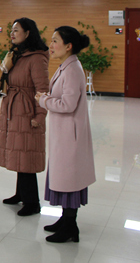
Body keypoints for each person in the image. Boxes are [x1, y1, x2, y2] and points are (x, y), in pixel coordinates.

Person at [36, 26, 95, 243]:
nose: (51, 45)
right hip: (64, 133)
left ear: (68, 46)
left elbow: (68, 105)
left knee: (70, 179)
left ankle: (71, 226)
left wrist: (43, 100)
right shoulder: (67, 65)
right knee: (65, 177)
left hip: (70, 135)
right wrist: (48, 97)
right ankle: (65, 219)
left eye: (55, 41)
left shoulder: (72, 69)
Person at [0, 17, 49, 216]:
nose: (12, 33)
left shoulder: (37, 58)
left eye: (16, 30)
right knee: (19, 151)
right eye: (11, 30)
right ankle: (20, 194)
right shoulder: (17, 54)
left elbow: (42, 89)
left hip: (26, 111)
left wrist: (40, 115)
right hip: (13, 108)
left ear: (27, 33)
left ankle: (32, 202)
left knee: (26, 154)